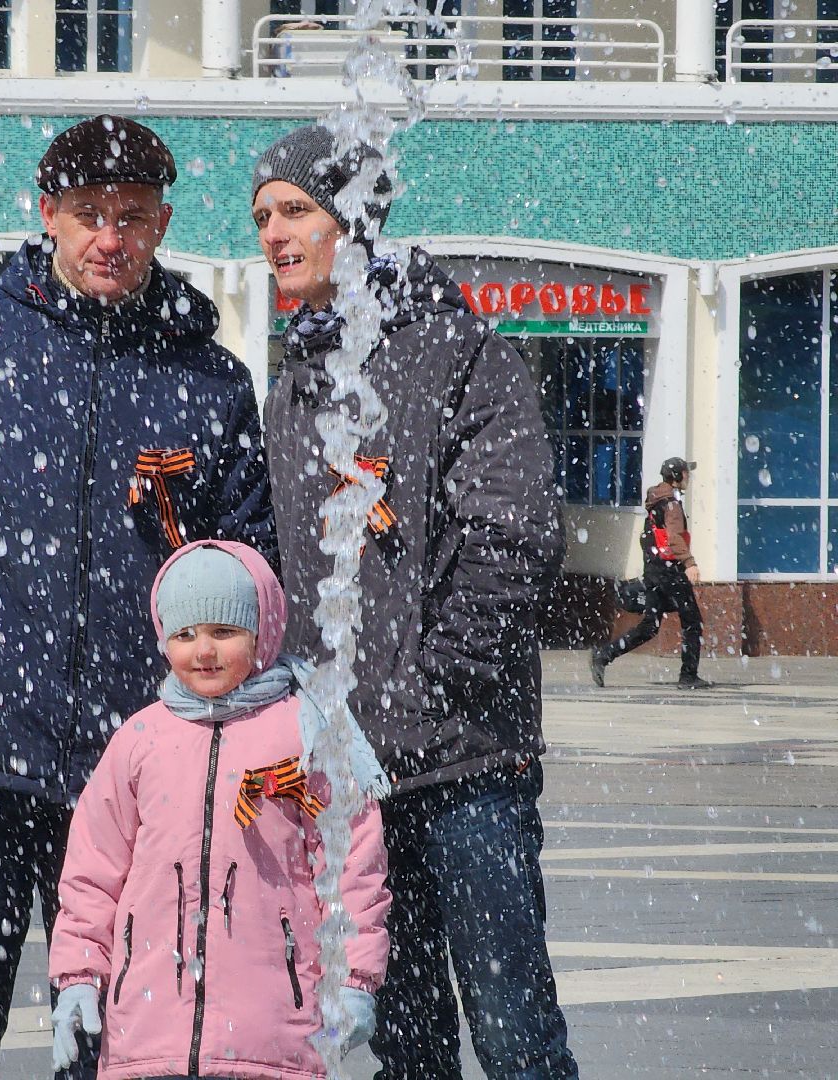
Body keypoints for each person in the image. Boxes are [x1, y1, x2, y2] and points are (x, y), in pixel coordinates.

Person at [0, 115, 277, 1080]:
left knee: (118, 1052)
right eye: (88, 216)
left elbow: (252, 569)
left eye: (132, 217)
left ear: (162, 224)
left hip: (133, 776)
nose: (109, 237)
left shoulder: (207, 377)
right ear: (48, 216)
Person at [252, 123, 580, 1078]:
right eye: (263, 215)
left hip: (467, 764)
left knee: (517, 1036)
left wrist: (423, 696)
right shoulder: (295, 388)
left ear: (351, 220)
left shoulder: (460, 354)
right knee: (407, 1047)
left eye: (296, 210)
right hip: (357, 792)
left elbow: (513, 541)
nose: (274, 232)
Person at [47, 539, 391, 1080]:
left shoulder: (307, 732)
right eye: (185, 635)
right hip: (148, 1029)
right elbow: (92, 874)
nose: (203, 651)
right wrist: (78, 976)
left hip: (275, 1030)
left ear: (263, 633)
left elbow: (352, 866)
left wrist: (352, 981)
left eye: (223, 632)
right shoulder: (140, 739)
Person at [590, 457, 710, 690]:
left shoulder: (656, 501)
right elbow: (674, 538)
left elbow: (649, 538)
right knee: (692, 621)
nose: (688, 477)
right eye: (686, 473)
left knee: (650, 625)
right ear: (677, 477)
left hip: (654, 571)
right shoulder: (672, 505)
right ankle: (688, 676)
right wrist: (689, 563)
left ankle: (603, 655)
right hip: (670, 572)